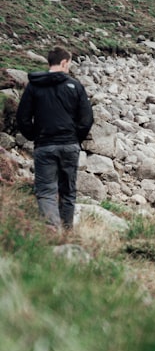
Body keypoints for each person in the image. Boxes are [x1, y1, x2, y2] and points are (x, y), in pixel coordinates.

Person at [16, 46, 93, 230]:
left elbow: (22, 118)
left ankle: (52, 231)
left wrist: (35, 136)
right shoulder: (75, 86)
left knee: (46, 192)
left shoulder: (34, 86)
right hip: (69, 146)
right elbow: (87, 119)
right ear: (64, 62)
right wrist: (75, 138)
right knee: (68, 192)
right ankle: (66, 234)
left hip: (44, 146)